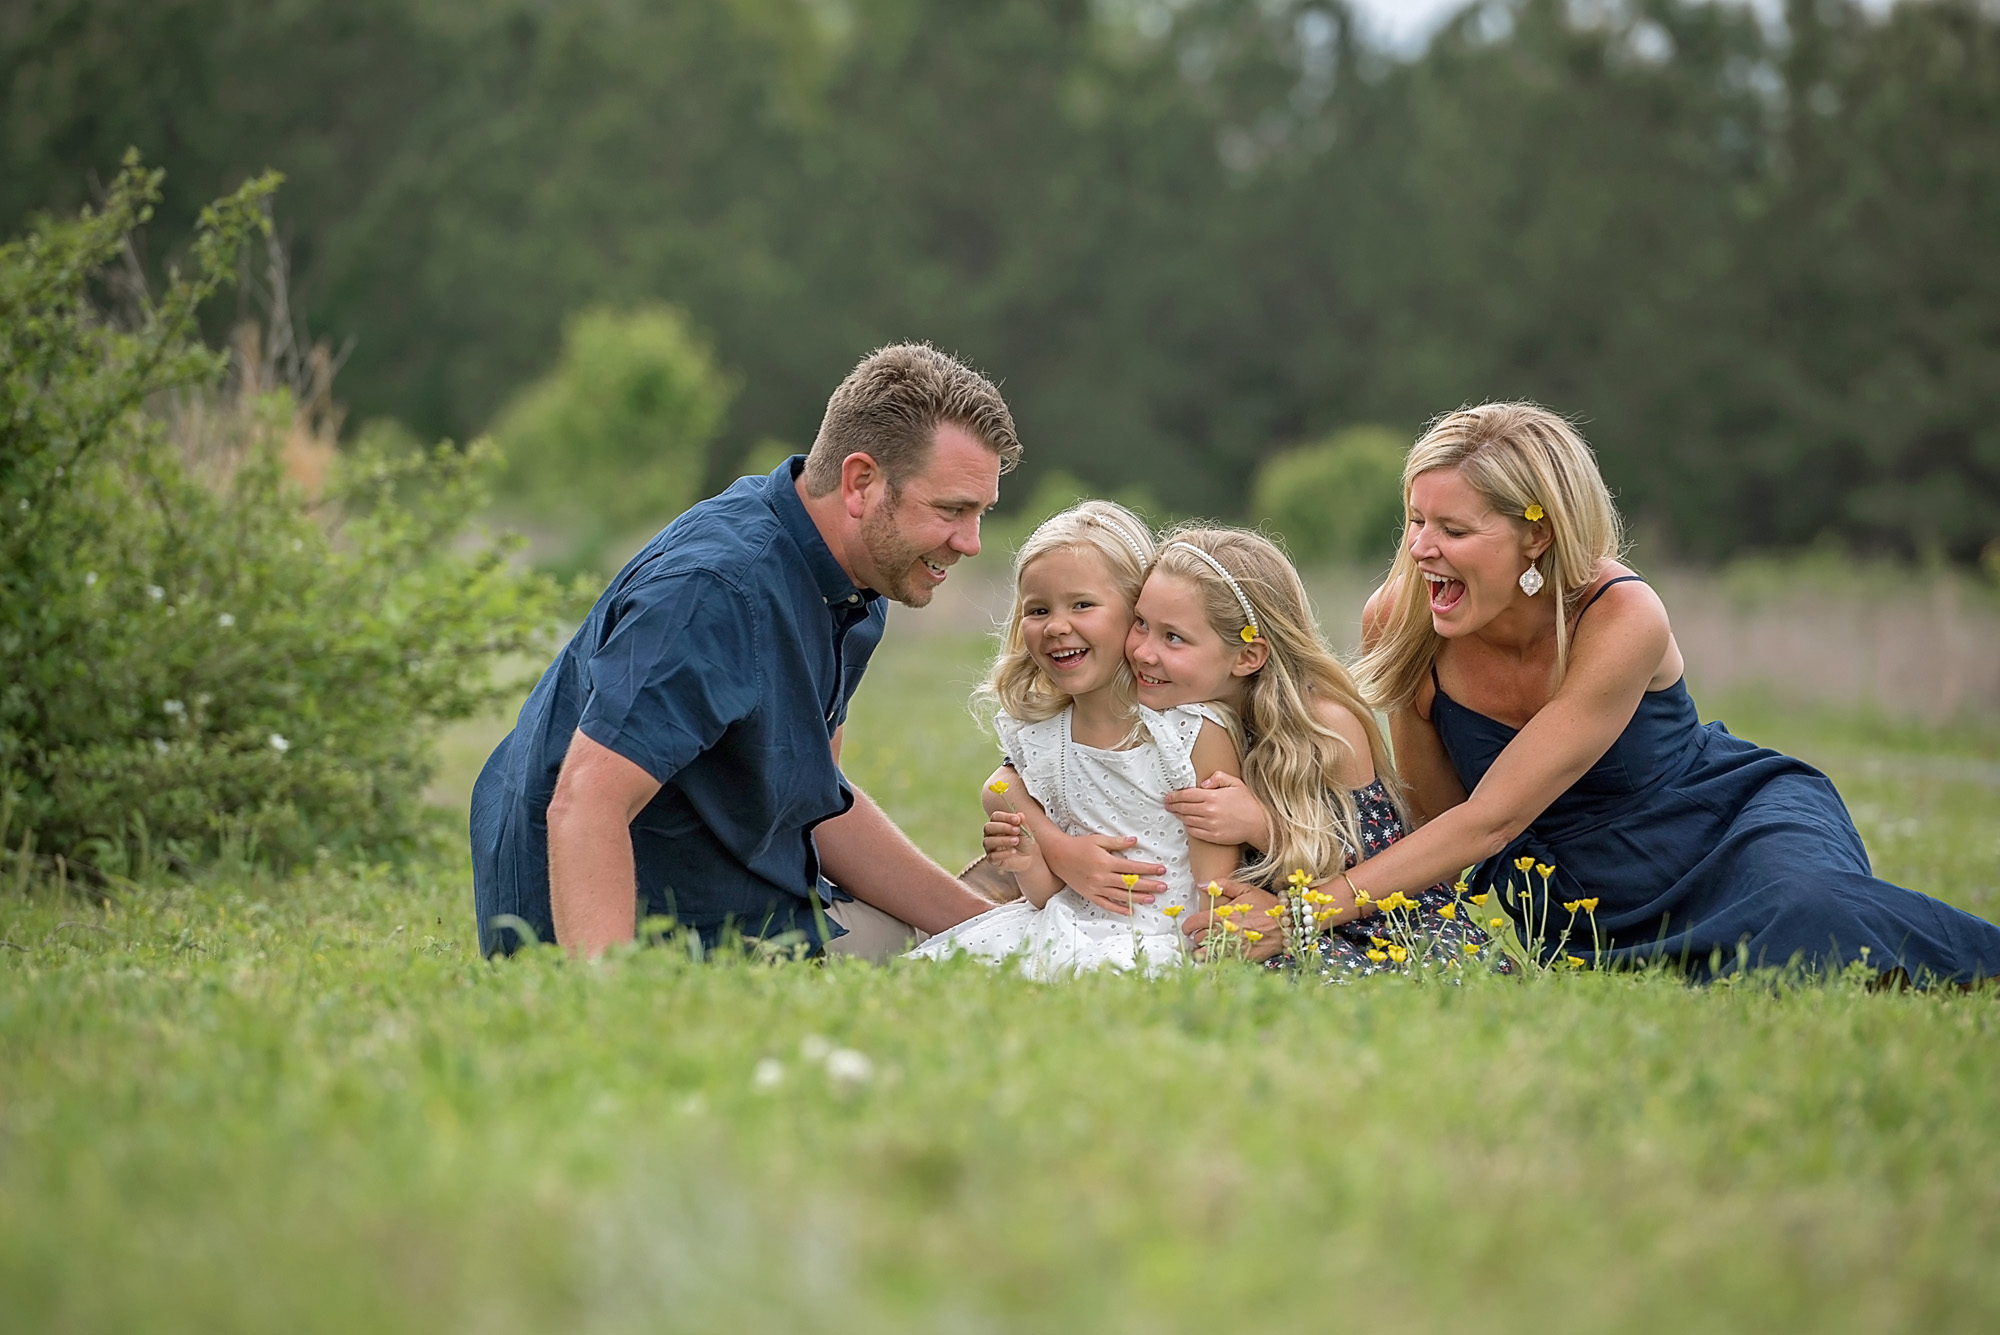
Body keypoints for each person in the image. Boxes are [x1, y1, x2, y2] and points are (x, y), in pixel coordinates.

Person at [1205, 402, 2000, 982]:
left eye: (1452, 529)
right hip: (1579, 893)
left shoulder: (1620, 613)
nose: (1420, 549)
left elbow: (1494, 815)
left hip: (1722, 832)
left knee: (1806, 920)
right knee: (1699, 973)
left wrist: (1305, 912)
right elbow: (1436, 820)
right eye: (1414, 521)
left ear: (1536, 534)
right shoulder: (1405, 620)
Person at [470, 343, 1019, 961]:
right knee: (899, 955)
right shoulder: (717, 590)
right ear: (861, 482)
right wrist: (606, 1013)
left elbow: (817, 799)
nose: (971, 543)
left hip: (721, 888)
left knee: (920, 937)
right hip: (607, 927)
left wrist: (987, 929)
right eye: (951, 509)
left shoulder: (861, 574)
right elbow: (585, 801)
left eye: (980, 513)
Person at [1014, 526, 1495, 975]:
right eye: (1141, 623)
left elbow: (1377, 864)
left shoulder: (1324, 726)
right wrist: (1053, 846)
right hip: (1243, 918)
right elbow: (1012, 776)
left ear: (1247, 656)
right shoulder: (1165, 715)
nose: (1142, 652)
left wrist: (1263, 828)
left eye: (1173, 637)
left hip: (1358, 920)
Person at [908, 503, 1243, 976]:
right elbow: (1043, 882)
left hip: (1165, 934)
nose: (1057, 626)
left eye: (1082, 604)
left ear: (1137, 611)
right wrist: (1036, 856)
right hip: (1062, 925)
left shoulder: (1187, 731)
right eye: (1038, 610)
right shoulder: (1044, 738)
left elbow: (1216, 886)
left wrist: (1214, 957)